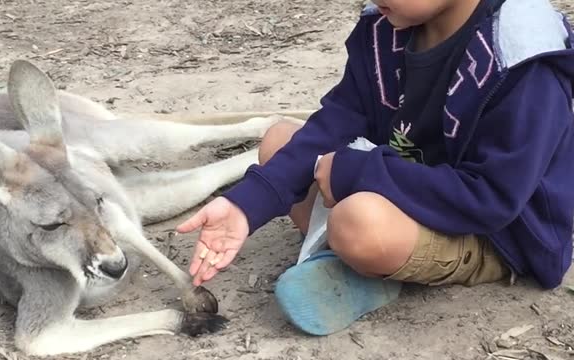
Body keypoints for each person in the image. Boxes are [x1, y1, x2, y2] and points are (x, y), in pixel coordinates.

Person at [177, 0, 574, 335]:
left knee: (357, 221)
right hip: (411, 185)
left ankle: (365, 261)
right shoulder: (389, 26)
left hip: (494, 232)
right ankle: (364, 265)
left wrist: (358, 172)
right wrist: (246, 205)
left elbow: (492, 198)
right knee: (278, 141)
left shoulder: (521, 58)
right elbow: (341, 117)